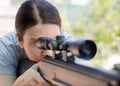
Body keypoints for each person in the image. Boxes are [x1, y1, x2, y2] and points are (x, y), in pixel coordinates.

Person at [0, 0, 73, 86]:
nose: (48, 53)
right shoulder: (6, 48)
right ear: (20, 40)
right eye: (37, 42)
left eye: (55, 40)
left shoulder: (70, 46)